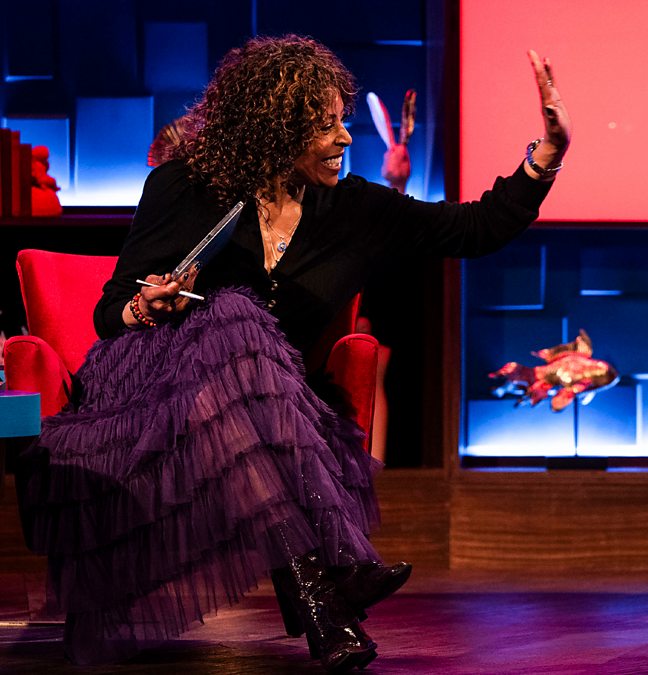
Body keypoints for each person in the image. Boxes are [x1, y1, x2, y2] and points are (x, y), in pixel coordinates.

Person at [20, 34, 569, 670]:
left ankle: (322, 609)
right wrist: (150, 304)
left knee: (241, 332)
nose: (344, 138)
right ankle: (334, 573)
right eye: (326, 125)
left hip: (258, 414)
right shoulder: (184, 186)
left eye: (343, 121)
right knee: (231, 312)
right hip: (148, 387)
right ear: (275, 128)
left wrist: (546, 156)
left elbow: (475, 229)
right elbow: (110, 310)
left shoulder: (355, 209)